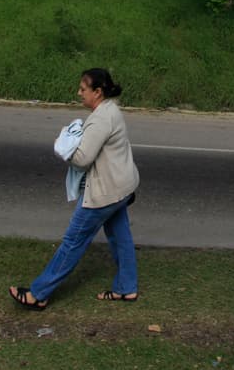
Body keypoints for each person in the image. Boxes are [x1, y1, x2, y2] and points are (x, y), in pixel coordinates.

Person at [9, 68, 141, 309]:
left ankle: (38, 294)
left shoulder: (101, 119)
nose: (78, 93)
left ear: (98, 92)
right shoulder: (112, 109)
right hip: (121, 188)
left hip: (104, 193)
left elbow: (82, 158)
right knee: (120, 236)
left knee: (73, 241)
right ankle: (127, 288)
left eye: (83, 89)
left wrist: (63, 147)